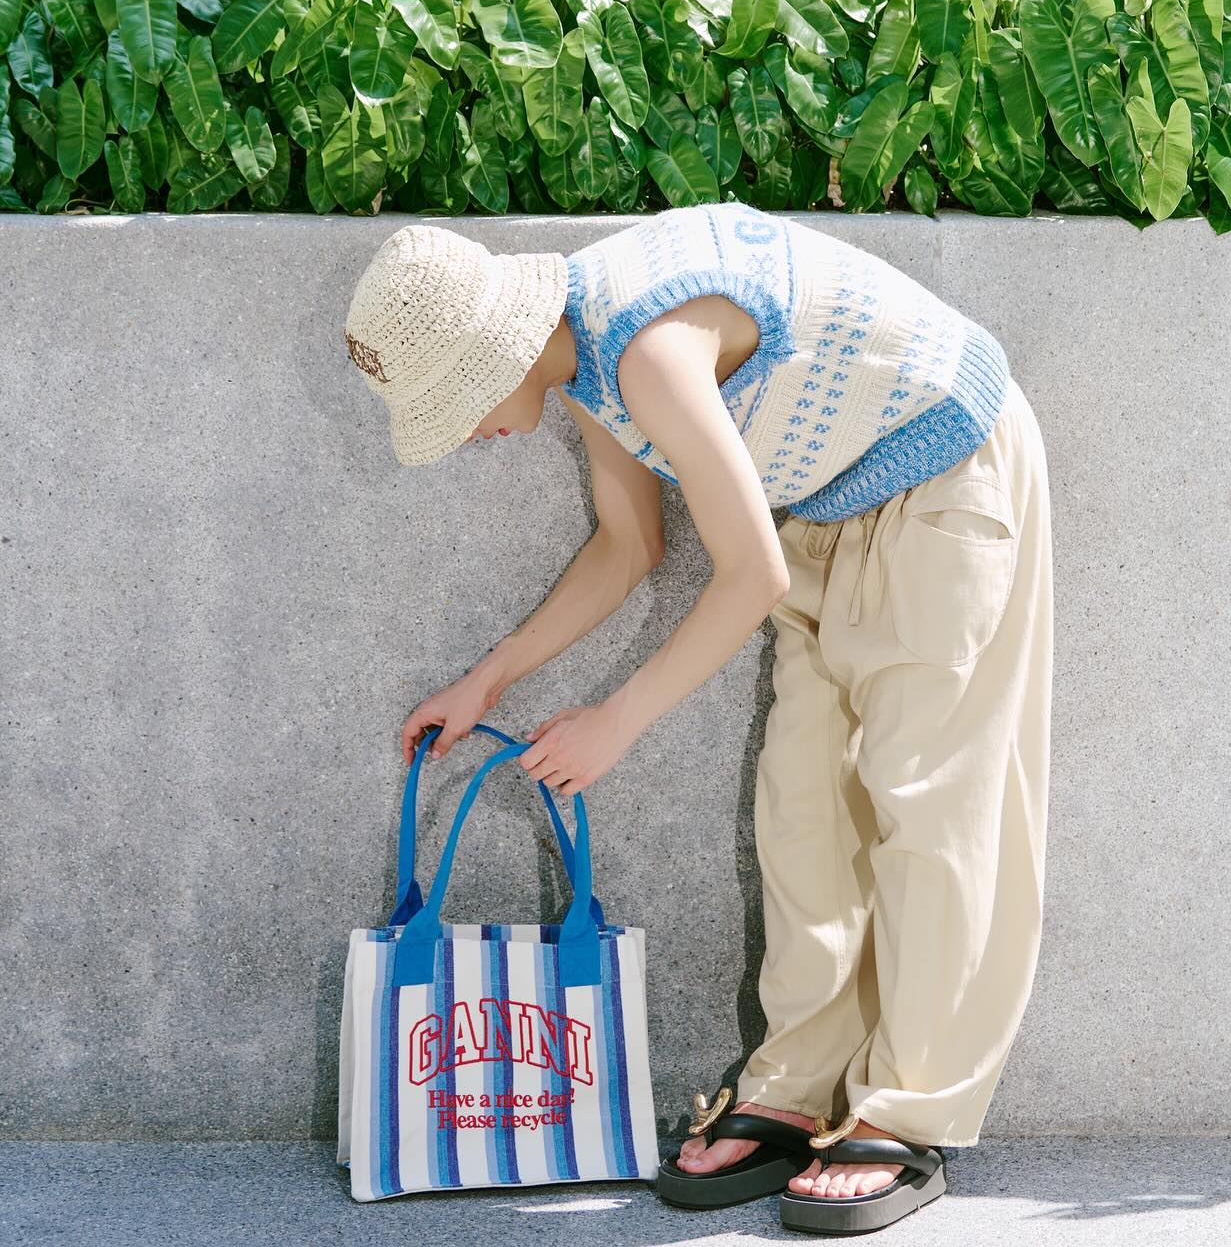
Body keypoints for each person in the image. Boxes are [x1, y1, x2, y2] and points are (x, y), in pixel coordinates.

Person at [342, 198, 1053, 1235]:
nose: (468, 439)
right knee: (803, 813)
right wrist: (487, 682)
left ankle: (911, 1109)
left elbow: (748, 574)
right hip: (835, 511)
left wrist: (615, 721)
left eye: (459, 410)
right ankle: (799, 1081)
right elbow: (629, 549)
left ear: (501, 353)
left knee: (931, 804)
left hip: (948, 473)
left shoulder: (647, 346)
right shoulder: (580, 353)